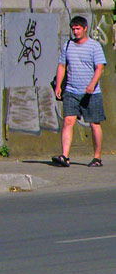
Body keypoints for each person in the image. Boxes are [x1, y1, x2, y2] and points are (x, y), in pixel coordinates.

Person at [52, 15, 106, 167]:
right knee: (68, 121)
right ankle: (64, 156)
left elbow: (99, 67)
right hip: (71, 90)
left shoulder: (94, 46)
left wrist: (91, 85)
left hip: (91, 93)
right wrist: (58, 85)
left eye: (78, 29)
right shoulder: (68, 45)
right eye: (73, 29)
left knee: (94, 124)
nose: (75, 32)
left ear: (85, 28)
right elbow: (62, 65)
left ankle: (97, 157)